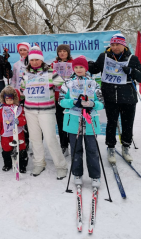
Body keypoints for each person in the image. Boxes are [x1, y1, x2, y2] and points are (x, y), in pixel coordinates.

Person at [88, 33, 141, 163]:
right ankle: (111, 148)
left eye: (118, 44)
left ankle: (126, 147)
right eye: (113, 44)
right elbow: (95, 70)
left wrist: (132, 71)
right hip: (110, 97)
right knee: (111, 123)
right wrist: (89, 64)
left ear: (123, 45)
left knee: (127, 124)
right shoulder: (104, 56)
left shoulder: (132, 58)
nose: (115, 47)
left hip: (128, 98)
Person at [20, 46, 68, 179]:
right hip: (30, 111)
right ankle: (39, 162)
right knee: (35, 138)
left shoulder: (50, 73)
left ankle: (61, 165)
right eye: (32, 60)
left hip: (46, 111)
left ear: (41, 60)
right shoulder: (25, 74)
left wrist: (54, 86)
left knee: (50, 138)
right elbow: (22, 90)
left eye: (37, 59)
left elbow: (64, 85)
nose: (34, 62)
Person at [59, 56, 104, 188]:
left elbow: (101, 103)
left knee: (92, 150)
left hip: (90, 123)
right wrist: (73, 102)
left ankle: (95, 176)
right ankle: (77, 174)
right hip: (73, 122)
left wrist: (92, 103)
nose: (79, 70)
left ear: (86, 68)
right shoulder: (68, 83)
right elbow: (61, 101)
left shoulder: (94, 83)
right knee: (76, 150)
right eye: (76, 67)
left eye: (81, 67)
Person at [0, 86, 28, 173]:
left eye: (11, 99)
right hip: (5, 133)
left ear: (15, 99)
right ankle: (7, 164)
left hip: (18, 132)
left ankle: (22, 165)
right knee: (6, 148)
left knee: (21, 148)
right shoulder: (1, 110)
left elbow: (24, 120)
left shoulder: (19, 109)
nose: (8, 101)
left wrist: (19, 121)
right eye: (6, 99)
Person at [50, 44, 73, 157]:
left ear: (68, 52)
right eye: (60, 51)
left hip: (71, 98)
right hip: (58, 97)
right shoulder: (53, 64)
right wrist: (60, 82)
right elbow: (49, 77)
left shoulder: (74, 63)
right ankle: (63, 145)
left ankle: (73, 143)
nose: (62, 53)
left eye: (64, 51)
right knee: (61, 122)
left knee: (72, 121)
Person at [10, 42, 31, 150]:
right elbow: (13, 80)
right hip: (20, 96)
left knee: (31, 119)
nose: (23, 52)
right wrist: (13, 93)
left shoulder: (32, 63)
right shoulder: (16, 65)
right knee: (21, 119)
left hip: (31, 96)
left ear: (29, 51)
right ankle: (25, 142)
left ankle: (35, 143)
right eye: (21, 50)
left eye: (25, 50)